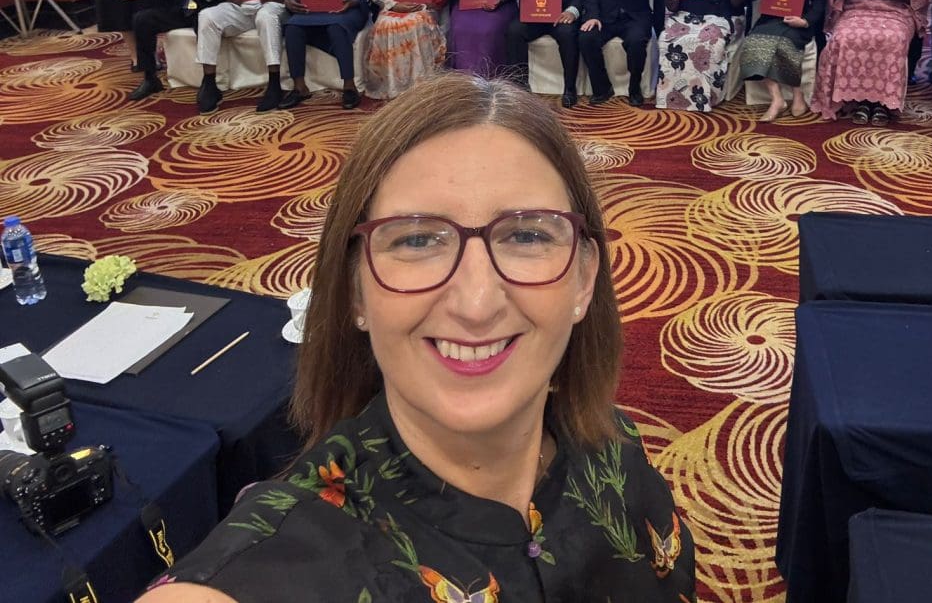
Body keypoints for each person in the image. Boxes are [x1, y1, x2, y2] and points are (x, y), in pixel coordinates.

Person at [136, 72, 696, 603]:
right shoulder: (281, 558)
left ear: (584, 278)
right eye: (417, 240)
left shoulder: (617, 444)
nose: (476, 304)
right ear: (354, 290)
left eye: (526, 235)